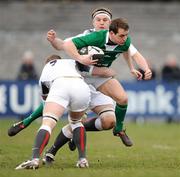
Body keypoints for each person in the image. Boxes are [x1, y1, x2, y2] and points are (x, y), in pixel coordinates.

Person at [47, 15, 152, 146]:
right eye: (98, 20)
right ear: (93, 22)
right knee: (67, 115)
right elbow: (64, 44)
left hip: (99, 79)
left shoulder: (122, 38)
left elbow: (131, 52)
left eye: (105, 20)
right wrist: (56, 42)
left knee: (119, 105)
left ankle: (118, 129)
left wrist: (140, 68)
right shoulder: (91, 36)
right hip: (81, 79)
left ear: (110, 24)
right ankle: (51, 149)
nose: (102, 23)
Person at [15, 55, 91, 170]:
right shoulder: (69, 62)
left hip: (60, 86)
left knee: (47, 124)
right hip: (81, 86)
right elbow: (87, 68)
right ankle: (82, 160)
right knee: (76, 122)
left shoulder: (47, 69)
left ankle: (35, 160)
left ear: (47, 63)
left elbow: (46, 101)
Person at [161, 54, 180, 123]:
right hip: (167, 90)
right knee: (168, 105)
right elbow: (166, 77)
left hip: (176, 90)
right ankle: (169, 118)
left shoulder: (176, 68)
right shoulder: (166, 69)